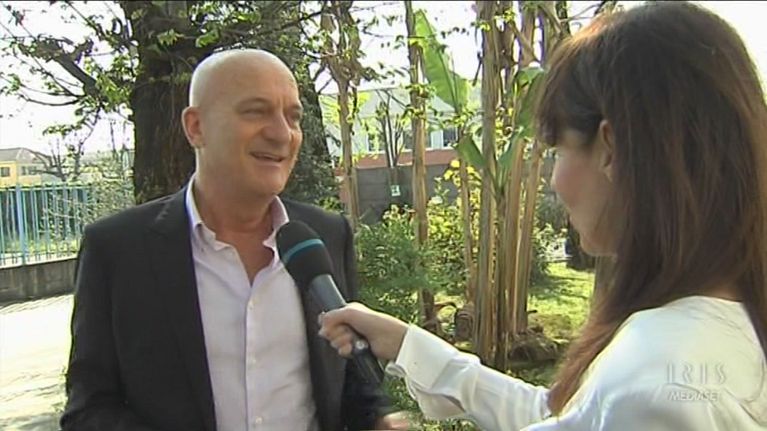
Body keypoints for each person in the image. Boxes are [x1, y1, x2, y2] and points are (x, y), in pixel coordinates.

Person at [319, 2, 767, 430]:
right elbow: (566, 417)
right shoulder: (715, 332)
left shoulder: (655, 384)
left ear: (610, 149)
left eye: (558, 151)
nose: (554, 181)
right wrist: (407, 345)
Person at [60, 49, 407, 431]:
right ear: (196, 127)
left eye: (293, 117)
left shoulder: (324, 235)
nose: (281, 134)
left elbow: (353, 380)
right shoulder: (118, 250)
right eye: (256, 112)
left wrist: (379, 418)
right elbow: (88, 409)